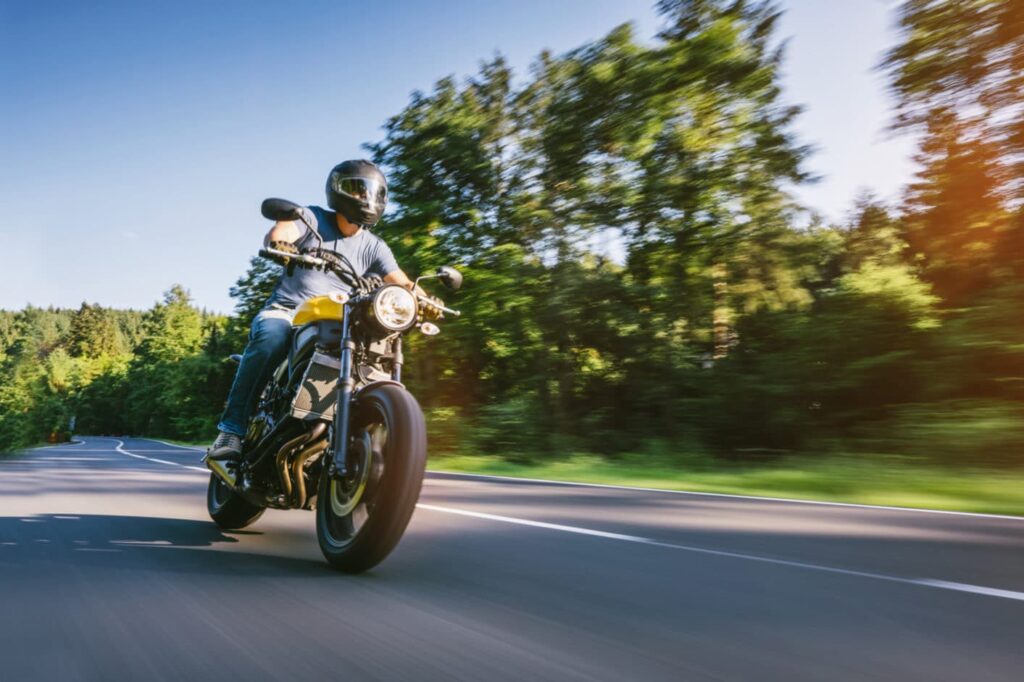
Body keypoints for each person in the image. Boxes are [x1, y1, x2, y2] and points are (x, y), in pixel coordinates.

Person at [208, 159, 424, 460]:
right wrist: (281, 244)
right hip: (288, 312)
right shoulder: (311, 218)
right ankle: (231, 431)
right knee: (271, 337)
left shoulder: (375, 247)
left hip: (341, 320)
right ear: (338, 190)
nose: (364, 198)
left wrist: (424, 299)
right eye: (356, 190)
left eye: (371, 192)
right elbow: (283, 229)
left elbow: (401, 281)